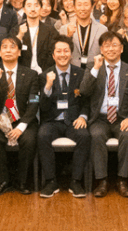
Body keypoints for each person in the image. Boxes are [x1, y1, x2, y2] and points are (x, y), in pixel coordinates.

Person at [80, 32, 128, 198]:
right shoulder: (93, 67)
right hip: (99, 119)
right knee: (96, 136)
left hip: (122, 119)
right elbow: (84, 92)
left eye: (114, 45)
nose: (110, 49)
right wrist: (95, 69)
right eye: (106, 46)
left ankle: (122, 180)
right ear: (101, 49)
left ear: (121, 49)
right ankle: (101, 180)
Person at [0, 37, 41, 196]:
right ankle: (2, 181)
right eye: (4, 47)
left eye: (12, 47)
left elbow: (34, 103)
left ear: (19, 52)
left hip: (23, 120)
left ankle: (21, 181)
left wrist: (21, 127)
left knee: (29, 140)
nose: (8, 50)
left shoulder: (31, 75)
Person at [37, 35, 90, 198]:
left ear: (71, 54)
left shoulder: (81, 74)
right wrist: (48, 86)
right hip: (52, 120)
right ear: (53, 55)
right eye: (58, 51)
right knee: (42, 136)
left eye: (66, 51)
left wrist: (83, 116)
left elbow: (87, 101)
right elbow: (42, 107)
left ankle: (76, 181)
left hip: (74, 120)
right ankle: (51, 181)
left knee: (84, 136)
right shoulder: (44, 76)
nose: (62, 54)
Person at [16, 0, 57, 74]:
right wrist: (20, 36)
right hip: (22, 74)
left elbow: (53, 53)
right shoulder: (16, 30)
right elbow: (12, 53)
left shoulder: (50, 31)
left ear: (40, 8)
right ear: (24, 9)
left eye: (36, 5)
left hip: (44, 73)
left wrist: (45, 71)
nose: (33, 9)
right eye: (29, 6)